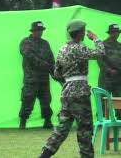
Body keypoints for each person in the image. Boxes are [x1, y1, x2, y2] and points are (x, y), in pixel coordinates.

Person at [39, 19, 105, 158]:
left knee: (62, 128)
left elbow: (57, 73)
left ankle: (44, 154)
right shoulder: (79, 47)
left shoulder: (62, 49)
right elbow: (100, 53)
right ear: (80, 33)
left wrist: (68, 79)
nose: (84, 33)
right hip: (80, 93)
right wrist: (96, 39)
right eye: (83, 31)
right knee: (85, 129)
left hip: (67, 92)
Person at [19, 21, 56, 129]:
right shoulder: (26, 42)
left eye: (41, 31)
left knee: (46, 101)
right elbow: (29, 56)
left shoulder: (45, 43)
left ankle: (47, 121)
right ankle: (23, 122)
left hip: (44, 78)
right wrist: (43, 64)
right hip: (31, 78)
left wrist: (54, 71)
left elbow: (50, 58)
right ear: (33, 31)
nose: (40, 33)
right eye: (38, 31)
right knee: (28, 100)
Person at [97, 24, 121, 120]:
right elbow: (99, 59)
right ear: (110, 33)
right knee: (103, 99)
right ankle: (102, 119)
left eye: (118, 32)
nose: (116, 34)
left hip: (118, 78)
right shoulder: (102, 44)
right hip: (105, 78)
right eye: (114, 32)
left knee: (119, 99)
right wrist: (109, 70)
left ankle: (120, 118)